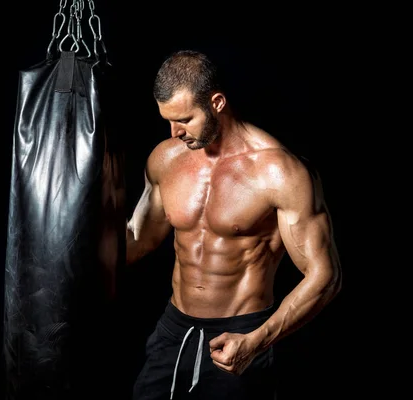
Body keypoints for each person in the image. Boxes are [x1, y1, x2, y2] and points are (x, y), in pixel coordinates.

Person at [126, 50, 342, 400]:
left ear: (217, 102)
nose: (174, 131)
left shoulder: (280, 172)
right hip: (172, 331)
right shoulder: (165, 158)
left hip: (241, 335)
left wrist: (256, 342)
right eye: (167, 120)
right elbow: (140, 239)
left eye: (184, 119)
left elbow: (325, 276)